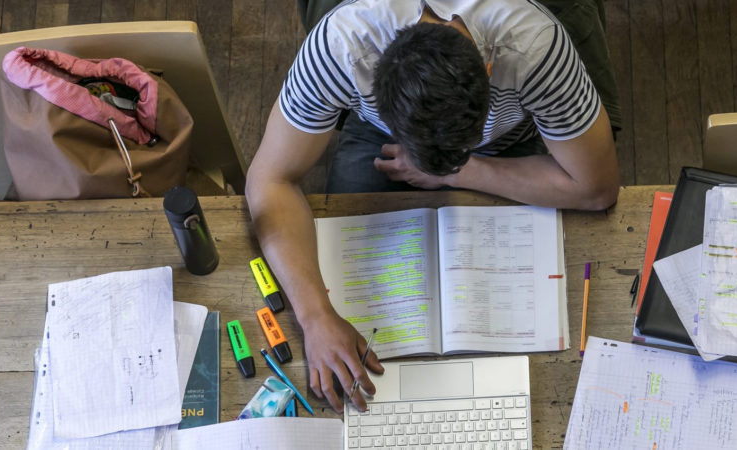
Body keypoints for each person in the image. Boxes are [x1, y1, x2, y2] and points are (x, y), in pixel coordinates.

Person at [245, 0, 621, 413]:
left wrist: (459, 172)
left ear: (489, 68)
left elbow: (596, 189)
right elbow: (268, 180)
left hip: (510, 134)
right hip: (388, 133)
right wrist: (315, 316)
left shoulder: (532, 44)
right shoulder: (344, 45)